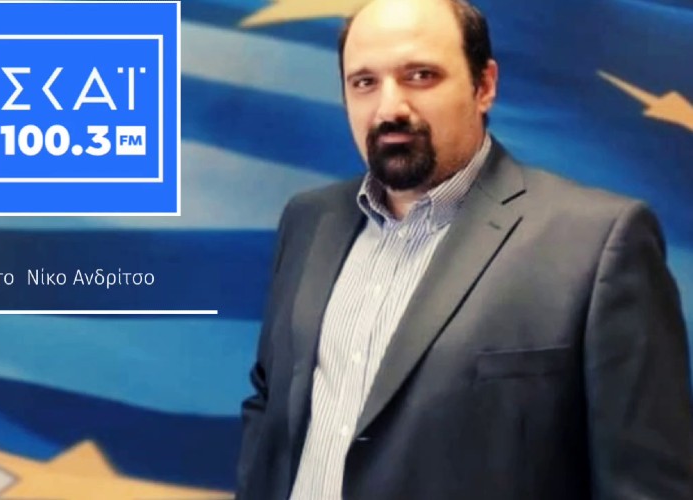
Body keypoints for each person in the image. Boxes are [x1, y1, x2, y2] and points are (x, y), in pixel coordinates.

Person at [235, 0, 693, 498]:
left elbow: (647, 485)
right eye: (364, 82)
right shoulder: (308, 221)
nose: (389, 109)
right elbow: (271, 401)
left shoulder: (599, 242)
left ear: (484, 85)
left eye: (421, 76)